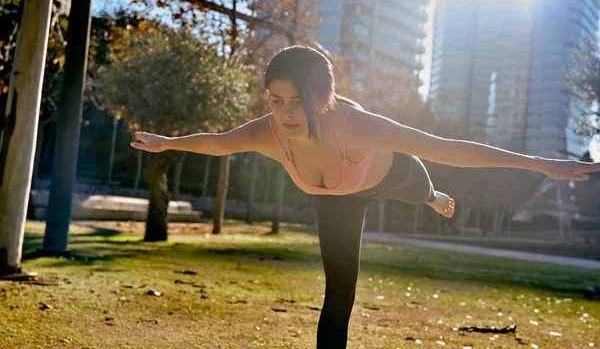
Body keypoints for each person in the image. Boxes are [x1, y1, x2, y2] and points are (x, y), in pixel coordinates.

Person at [130, 45, 600, 348]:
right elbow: (218, 141)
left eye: (299, 101)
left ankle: (433, 198)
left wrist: (543, 165)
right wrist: (168, 143)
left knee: (419, 187)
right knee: (339, 293)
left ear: (325, 98)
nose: (287, 113)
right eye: (276, 100)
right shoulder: (267, 132)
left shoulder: (357, 126)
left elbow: (448, 150)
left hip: (391, 175)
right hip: (336, 198)